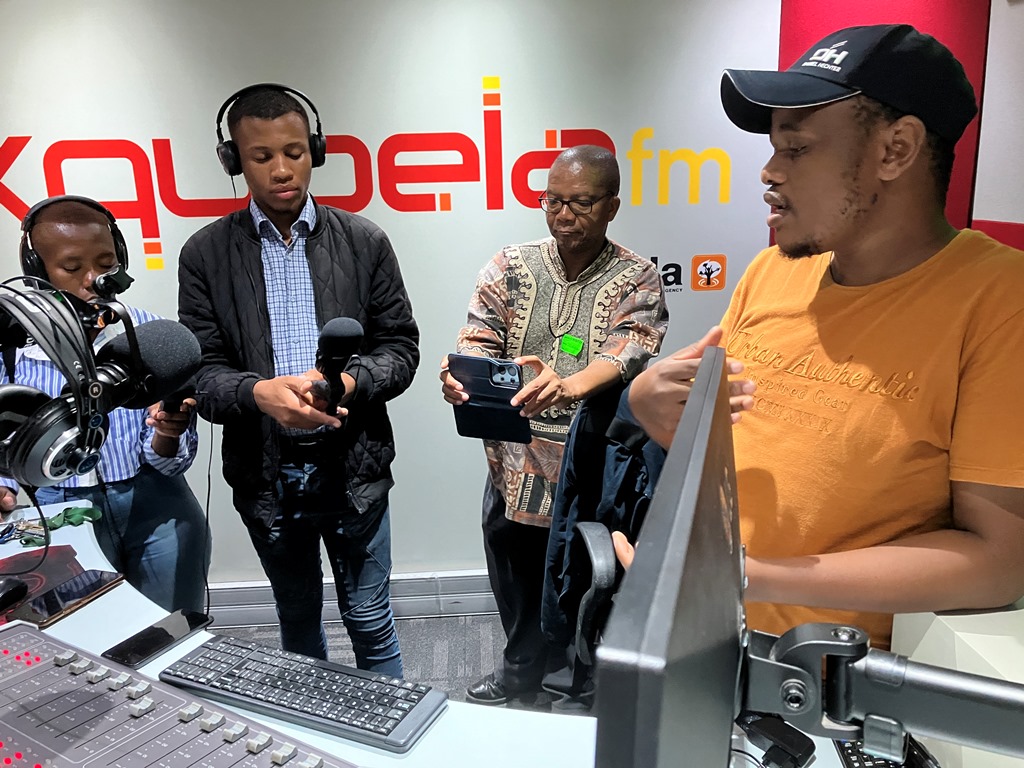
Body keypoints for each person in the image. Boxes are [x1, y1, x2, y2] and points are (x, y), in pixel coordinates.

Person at [620, 24, 1024, 649]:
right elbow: (746, 458)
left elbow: (998, 563)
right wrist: (655, 408)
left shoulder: (999, 298)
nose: (769, 171)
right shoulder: (771, 271)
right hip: (712, 642)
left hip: (848, 693)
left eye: (798, 148)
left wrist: (748, 577)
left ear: (896, 150)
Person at [178, 84, 419, 676]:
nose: (282, 169)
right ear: (234, 160)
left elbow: (401, 349)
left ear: (315, 150)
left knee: (370, 617)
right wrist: (256, 393)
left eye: (294, 152)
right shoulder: (204, 254)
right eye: (261, 157)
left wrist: (347, 384)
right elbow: (201, 375)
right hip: (265, 474)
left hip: (354, 468)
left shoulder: (365, 241)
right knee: (298, 621)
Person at [441, 145, 668, 704]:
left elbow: (628, 352)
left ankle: (586, 681)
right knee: (514, 573)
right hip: (513, 460)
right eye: (553, 201)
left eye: (581, 203)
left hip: (589, 459)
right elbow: (477, 338)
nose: (564, 214)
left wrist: (568, 385)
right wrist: (459, 375)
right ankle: (519, 671)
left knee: (588, 578)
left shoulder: (636, 276)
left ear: (612, 205)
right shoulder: (509, 267)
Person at [0, 195, 209, 613]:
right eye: (73, 268)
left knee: (172, 635)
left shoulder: (150, 333)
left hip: (157, 507)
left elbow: (169, 463)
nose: (94, 279)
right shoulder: (9, 349)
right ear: (37, 269)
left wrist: (169, 432)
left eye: (106, 263)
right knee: (86, 648)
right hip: (59, 511)